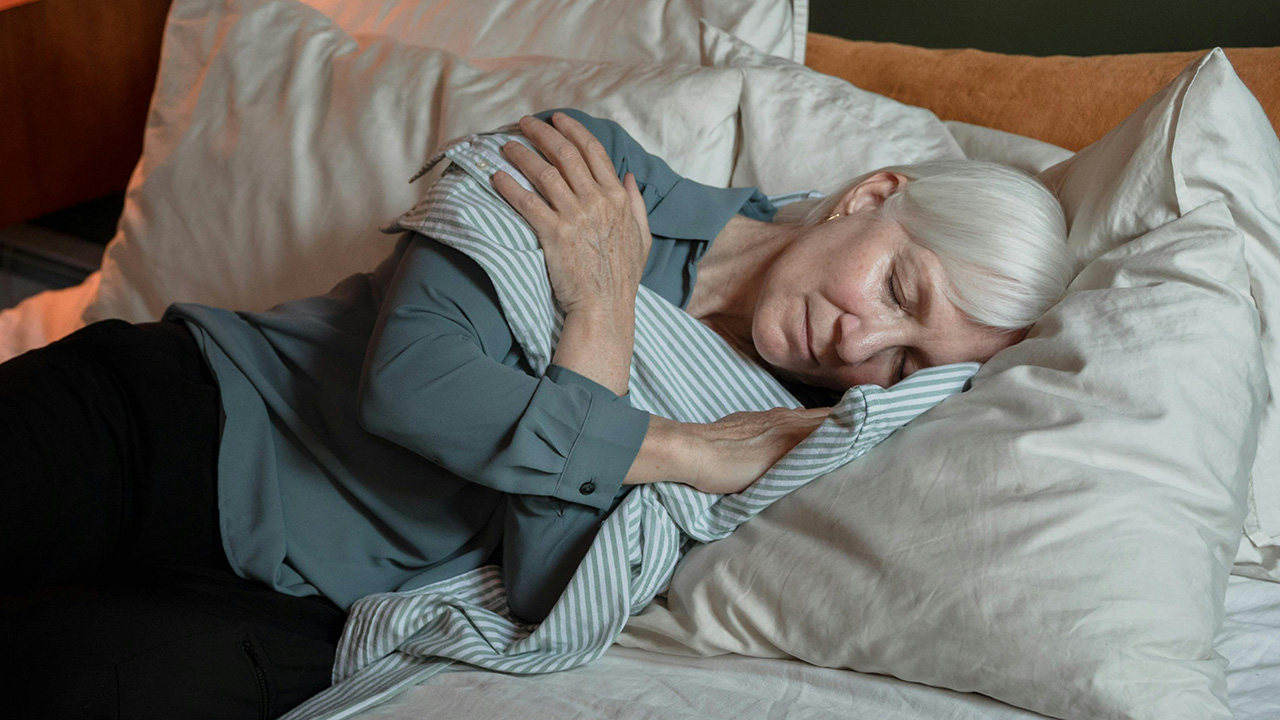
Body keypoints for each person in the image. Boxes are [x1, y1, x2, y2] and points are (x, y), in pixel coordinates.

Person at [0, 109, 1073, 719]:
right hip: (184, 415)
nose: (859, 351)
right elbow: (412, 387)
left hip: (304, 603)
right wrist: (653, 422)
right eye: (896, 294)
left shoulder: (775, 436)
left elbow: (545, 582)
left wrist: (595, 319)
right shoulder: (588, 169)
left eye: (905, 362)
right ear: (869, 197)